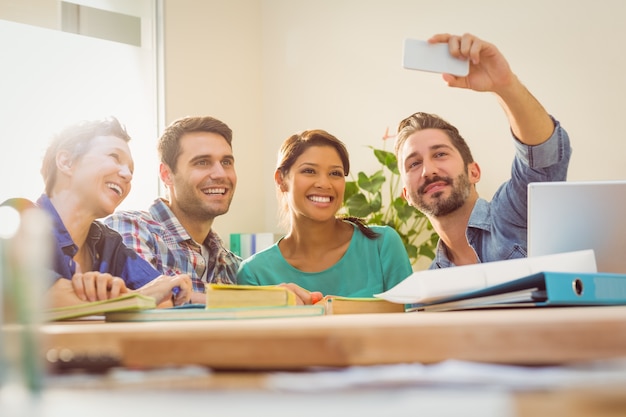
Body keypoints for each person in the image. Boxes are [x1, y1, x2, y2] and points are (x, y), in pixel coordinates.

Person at [394, 33, 572, 269]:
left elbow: (542, 157)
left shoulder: (514, 214)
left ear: (474, 172)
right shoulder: (432, 283)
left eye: (440, 154)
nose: (428, 170)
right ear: (406, 195)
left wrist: (504, 85)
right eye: (414, 164)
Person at [24, 116, 192, 308]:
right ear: (67, 162)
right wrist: (138, 298)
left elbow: (164, 298)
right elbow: (30, 294)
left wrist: (148, 296)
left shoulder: (110, 244)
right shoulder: (19, 218)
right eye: (114, 157)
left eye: (131, 170)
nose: (128, 175)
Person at [237, 129, 413, 300]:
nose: (324, 183)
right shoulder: (254, 274)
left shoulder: (382, 245)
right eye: (309, 171)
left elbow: (412, 325)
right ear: (281, 180)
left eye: (335, 173)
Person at [104, 116, 241, 304]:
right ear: (167, 175)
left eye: (226, 162)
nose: (220, 174)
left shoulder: (232, 264)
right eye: (202, 162)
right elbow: (147, 298)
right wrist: (252, 300)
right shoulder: (130, 228)